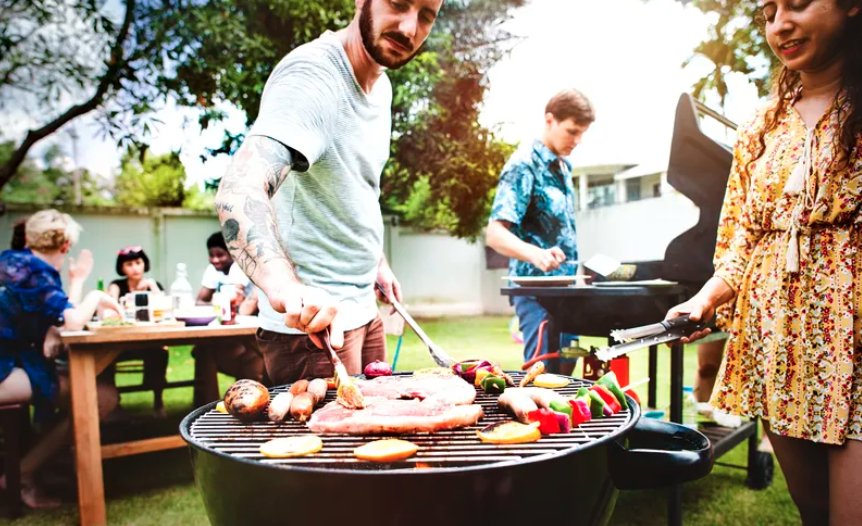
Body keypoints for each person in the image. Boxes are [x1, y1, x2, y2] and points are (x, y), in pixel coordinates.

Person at [667, 1, 862, 523]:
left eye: (796, 4)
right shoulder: (761, 123)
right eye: (769, 12)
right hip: (780, 347)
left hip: (855, 343)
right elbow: (741, 238)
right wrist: (704, 298)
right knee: (815, 512)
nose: (781, 25)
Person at [214, 0, 443, 383]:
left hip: (365, 309)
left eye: (426, 15)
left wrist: (378, 262)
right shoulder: (312, 77)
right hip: (314, 328)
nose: (409, 27)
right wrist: (285, 288)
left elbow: (354, 187)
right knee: (332, 443)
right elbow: (239, 190)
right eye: (399, 3)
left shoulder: (380, 85)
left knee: (380, 438)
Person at [0, 209, 122, 507]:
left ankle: (40, 467)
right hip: (5, 371)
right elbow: (73, 321)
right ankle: (21, 475)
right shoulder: (37, 271)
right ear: (66, 246)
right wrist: (96, 296)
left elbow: (57, 312)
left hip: (12, 363)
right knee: (102, 397)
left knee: (86, 392)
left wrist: (76, 282)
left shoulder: (13, 262)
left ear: (28, 237)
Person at [485, 88, 595, 374]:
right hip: (535, 294)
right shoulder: (523, 166)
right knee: (541, 378)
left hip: (567, 294)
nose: (577, 140)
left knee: (567, 379)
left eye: (582, 133)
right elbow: (495, 234)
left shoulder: (564, 167)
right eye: (572, 131)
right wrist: (535, 254)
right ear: (550, 120)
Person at [191, 232, 267, 405]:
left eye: (220, 255)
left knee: (210, 352)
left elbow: (238, 301)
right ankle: (209, 404)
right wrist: (218, 306)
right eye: (211, 255)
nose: (215, 260)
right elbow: (200, 300)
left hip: (249, 335)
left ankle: (249, 399)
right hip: (228, 333)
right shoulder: (212, 271)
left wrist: (224, 304)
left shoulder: (241, 267)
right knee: (205, 350)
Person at [106, 245, 169, 413]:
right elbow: (108, 312)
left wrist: (153, 287)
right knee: (105, 356)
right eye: (129, 264)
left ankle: (158, 401)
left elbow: (165, 311)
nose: (135, 268)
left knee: (160, 353)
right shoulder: (116, 286)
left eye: (138, 262)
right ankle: (112, 401)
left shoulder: (153, 285)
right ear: (122, 268)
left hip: (148, 341)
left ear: (144, 264)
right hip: (121, 343)